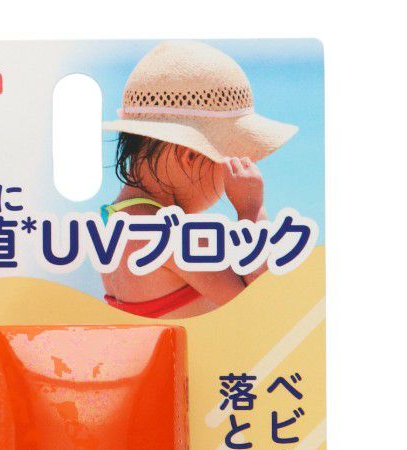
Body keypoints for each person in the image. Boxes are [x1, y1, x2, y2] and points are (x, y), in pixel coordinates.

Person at [101, 41, 298, 317]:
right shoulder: (168, 234)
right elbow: (259, 307)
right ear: (191, 156)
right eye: (230, 161)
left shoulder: (116, 221)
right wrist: (251, 210)